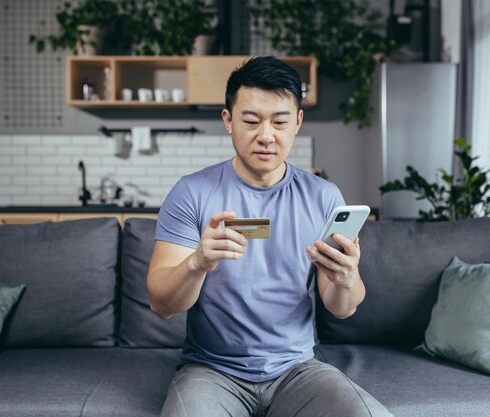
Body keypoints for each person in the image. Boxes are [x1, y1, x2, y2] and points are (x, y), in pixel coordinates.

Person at [147, 56, 393, 417]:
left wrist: (347, 278)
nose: (266, 135)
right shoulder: (191, 193)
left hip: (297, 370)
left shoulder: (323, 197)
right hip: (212, 371)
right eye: (250, 121)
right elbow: (162, 304)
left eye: (279, 122)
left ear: (297, 122)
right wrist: (197, 263)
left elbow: (342, 307)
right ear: (228, 121)